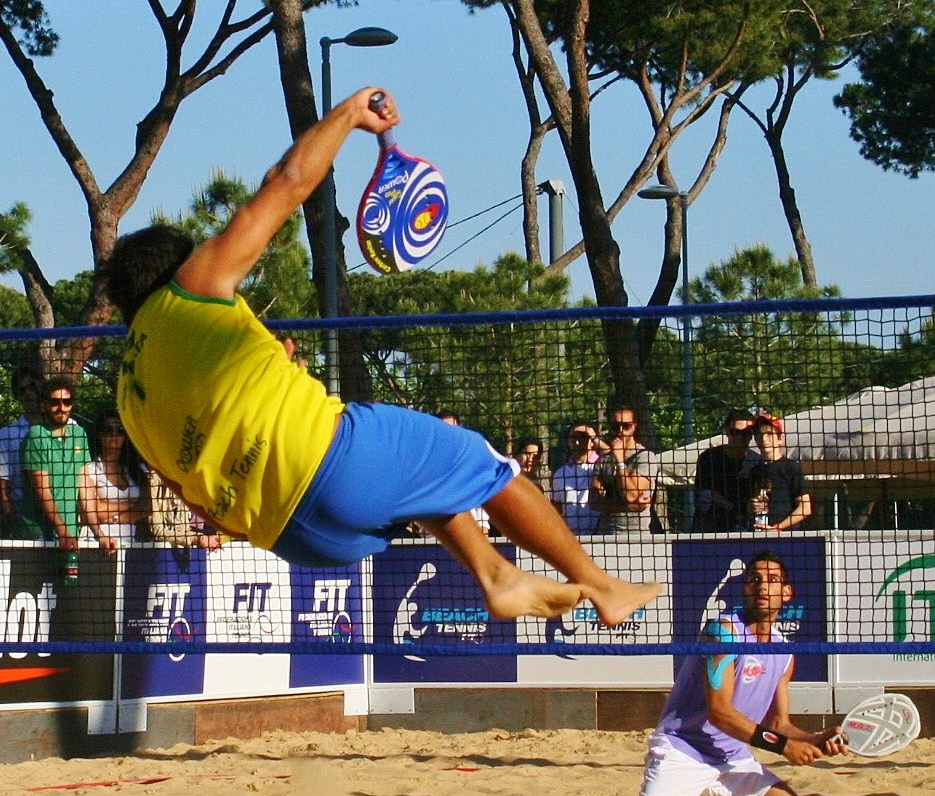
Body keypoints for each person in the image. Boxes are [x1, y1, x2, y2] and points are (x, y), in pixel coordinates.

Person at [102, 86, 657, 626]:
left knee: (424, 477)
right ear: (174, 269)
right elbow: (287, 181)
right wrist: (348, 114)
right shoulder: (191, 288)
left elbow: (201, 505)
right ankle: (603, 587)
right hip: (334, 469)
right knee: (481, 461)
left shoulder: (130, 400)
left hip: (296, 538)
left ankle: (496, 575)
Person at [563, 551, 845, 796]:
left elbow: (778, 723)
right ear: (745, 589)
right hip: (685, 748)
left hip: (732, 758)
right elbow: (720, 714)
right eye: (754, 579)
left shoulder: (784, 653)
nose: (762, 586)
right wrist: (784, 746)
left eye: (772, 580)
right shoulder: (722, 634)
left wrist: (814, 738)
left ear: (786, 593)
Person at [16, 377, 116, 555]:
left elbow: (84, 487)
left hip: (71, 534)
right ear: (44, 406)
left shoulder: (79, 434)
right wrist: (63, 532)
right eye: (55, 402)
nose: (61, 407)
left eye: (66, 402)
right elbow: (42, 490)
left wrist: (99, 534)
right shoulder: (36, 435)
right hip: (39, 536)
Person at [80, 411, 149, 547]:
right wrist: (132, 504)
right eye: (108, 429)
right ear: (99, 435)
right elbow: (93, 510)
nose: (114, 434)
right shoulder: (90, 469)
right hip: (96, 543)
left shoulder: (137, 470)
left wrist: (113, 516)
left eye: (120, 430)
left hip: (130, 543)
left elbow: (147, 507)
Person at [591, 404, 658, 535]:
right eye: (615, 426)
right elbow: (594, 502)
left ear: (634, 426)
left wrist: (620, 461)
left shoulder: (645, 456)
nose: (620, 430)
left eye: (626, 426)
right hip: (606, 535)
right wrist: (627, 507)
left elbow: (631, 495)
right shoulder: (604, 459)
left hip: (636, 536)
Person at [692, 409, 758, 532]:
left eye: (746, 432)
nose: (740, 437)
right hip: (709, 530)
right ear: (727, 432)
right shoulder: (709, 458)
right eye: (735, 432)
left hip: (742, 531)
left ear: (751, 435)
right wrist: (738, 508)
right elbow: (705, 497)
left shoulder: (757, 462)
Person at [749, 413, 812, 531]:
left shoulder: (791, 467)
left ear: (780, 439)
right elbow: (750, 508)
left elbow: (805, 508)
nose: (764, 439)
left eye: (769, 434)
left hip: (787, 535)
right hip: (759, 532)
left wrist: (777, 528)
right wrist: (751, 506)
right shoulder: (755, 471)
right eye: (759, 435)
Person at [0, 365, 43, 533]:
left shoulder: (66, 427)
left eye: (32, 386)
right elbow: (3, 486)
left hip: (62, 518)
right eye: (22, 390)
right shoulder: (7, 434)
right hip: (24, 521)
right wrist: (13, 522)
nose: (28, 393)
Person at [550, 421, 603, 536]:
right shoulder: (560, 473)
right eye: (573, 437)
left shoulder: (604, 467)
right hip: (569, 539)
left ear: (593, 440)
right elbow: (556, 509)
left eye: (583, 437)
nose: (577, 442)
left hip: (599, 537)